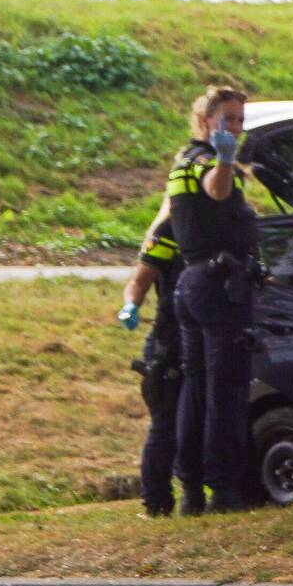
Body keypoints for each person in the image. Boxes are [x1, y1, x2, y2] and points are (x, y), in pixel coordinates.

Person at [167, 85, 257, 514]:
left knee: (196, 389)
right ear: (206, 121)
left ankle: (189, 491)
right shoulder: (205, 160)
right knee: (226, 390)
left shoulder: (179, 162)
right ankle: (222, 491)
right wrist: (225, 160)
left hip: (190, 283)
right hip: (217, 287)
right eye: (229, 118)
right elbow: (216, 190)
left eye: (240, 119)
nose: (236, 127)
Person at [117, 202, 202, 516]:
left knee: (199, 420)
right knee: (166, 425)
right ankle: (156, 502)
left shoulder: (226, 227)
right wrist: (131, 306)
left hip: (209, 335)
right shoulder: (170, 231)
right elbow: (140, 281)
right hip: (170, 340)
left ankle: (195, 495)